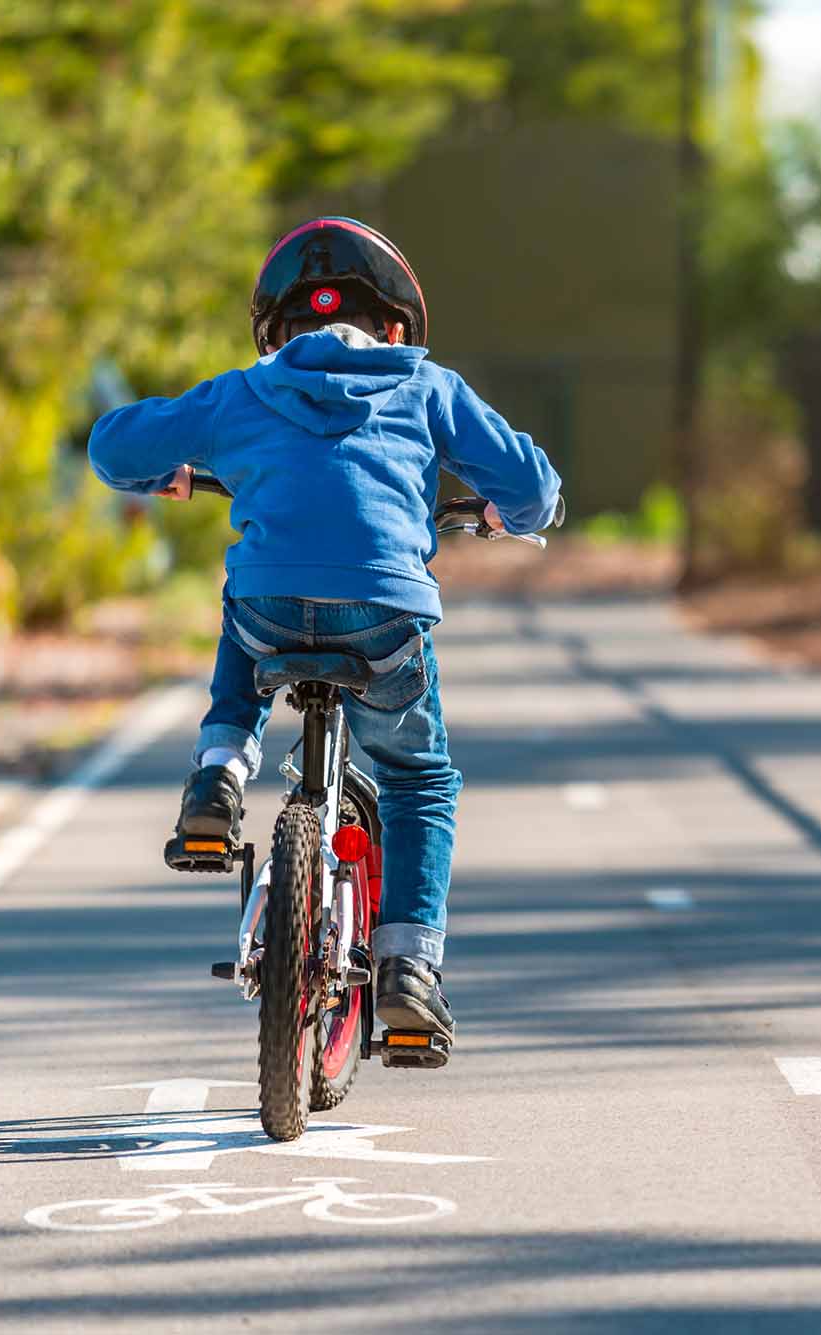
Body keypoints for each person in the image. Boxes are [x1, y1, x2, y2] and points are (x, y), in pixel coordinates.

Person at [86, 216, 562, 1048]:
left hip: (271, 612)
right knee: (419, 780)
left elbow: (111, 446)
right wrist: (507, 511)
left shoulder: (245, 391)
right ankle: (409, 970)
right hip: (384, 617)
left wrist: (170, 470)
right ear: (397, 327)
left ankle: (219, 773)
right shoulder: (426, 384)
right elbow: (532, 485)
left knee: (248, 599)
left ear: (278, 331)